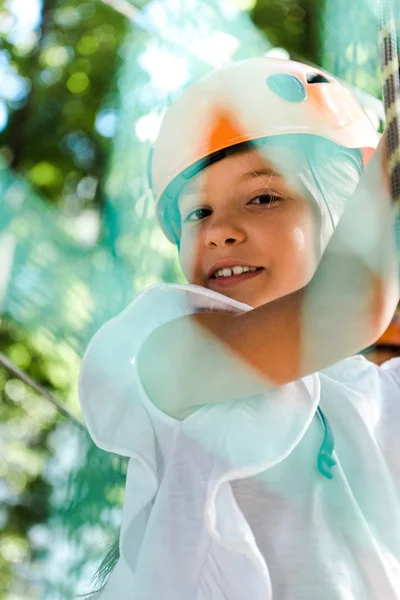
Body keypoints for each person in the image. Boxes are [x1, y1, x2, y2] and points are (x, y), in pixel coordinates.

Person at [78, 57, 400, 599]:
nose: (221, 230)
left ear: (351, 214)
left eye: (264, 197)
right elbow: (343, 307)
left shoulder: (385, 398)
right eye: (197, 213)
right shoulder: (176, 349)